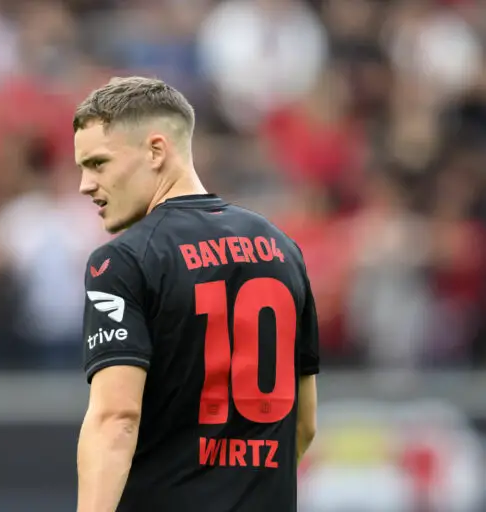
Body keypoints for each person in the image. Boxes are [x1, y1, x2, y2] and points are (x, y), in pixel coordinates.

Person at [74, 76, 319, 512]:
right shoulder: (284, 249)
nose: (85, 185)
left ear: (155, 150)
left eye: (97, 164)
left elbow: (116, 419)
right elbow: (304, 425)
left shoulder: (122, 263)